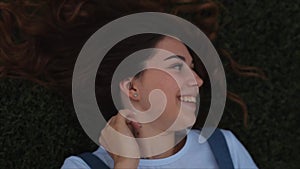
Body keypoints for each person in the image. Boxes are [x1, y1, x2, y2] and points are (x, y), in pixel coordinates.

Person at [0, 0, 259, 168]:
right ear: (132, 87)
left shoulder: (225, 147)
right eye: (177, 66)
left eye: (192, 67)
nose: (198, 80)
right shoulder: (82, 168)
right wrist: (125, 163)